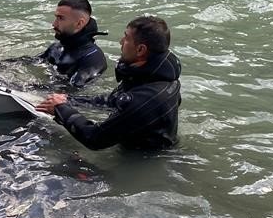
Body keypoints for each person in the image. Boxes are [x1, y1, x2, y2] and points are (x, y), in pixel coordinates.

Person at [36, 15, 181, 150]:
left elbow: (94, 138)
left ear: (140, 49)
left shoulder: (145, 99)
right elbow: (113, 101)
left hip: (144, 160)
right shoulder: (157, 74)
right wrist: (68, 100)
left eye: (126, 38)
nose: (121, 41)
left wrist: (61, 109)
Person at [39, 0, 107, 88]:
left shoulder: (92, 59)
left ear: (79, 23)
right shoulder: (57, 47)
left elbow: (72, 92)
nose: (54, 24)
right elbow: (33, 61)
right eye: (56, 17)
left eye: (61, 18)